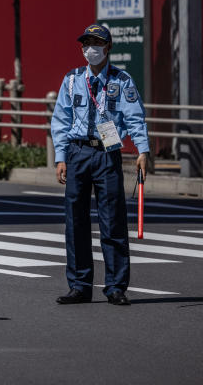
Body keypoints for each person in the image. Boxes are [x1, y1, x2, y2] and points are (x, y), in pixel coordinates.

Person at [50, 23, 151, 307]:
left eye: (95, 43)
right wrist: (60, 156)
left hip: (107, 153)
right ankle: (80, 286)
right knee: (76, 221)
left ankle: (116, 287)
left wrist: (142, 150)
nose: (89, 48)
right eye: (86, 43)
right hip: (78, 152)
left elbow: (134, 117)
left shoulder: (121, 80)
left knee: (112, 221)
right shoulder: (71, 80)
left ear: (107, 48)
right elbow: (61, 120)